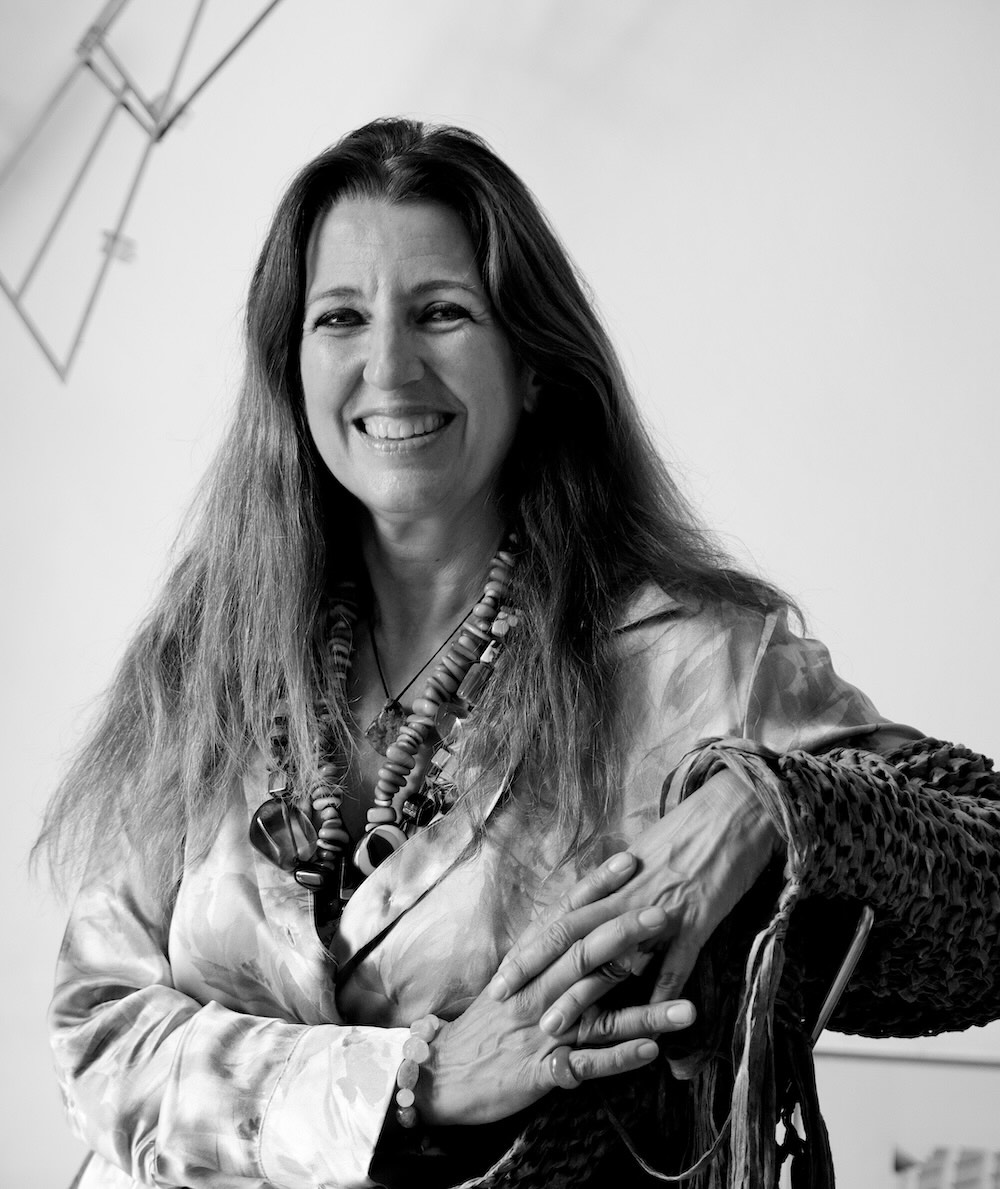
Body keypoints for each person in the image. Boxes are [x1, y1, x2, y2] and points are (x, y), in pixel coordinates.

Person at [38, 118, 1000, 1189]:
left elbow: (986, 886)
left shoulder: (688, 663)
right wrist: (414, 1079)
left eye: (442, 312)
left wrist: (770, 803)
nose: (389, 365)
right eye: (341, 316)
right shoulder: (209, 653)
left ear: (533, 362)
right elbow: (97, 1030)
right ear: (291, 366)